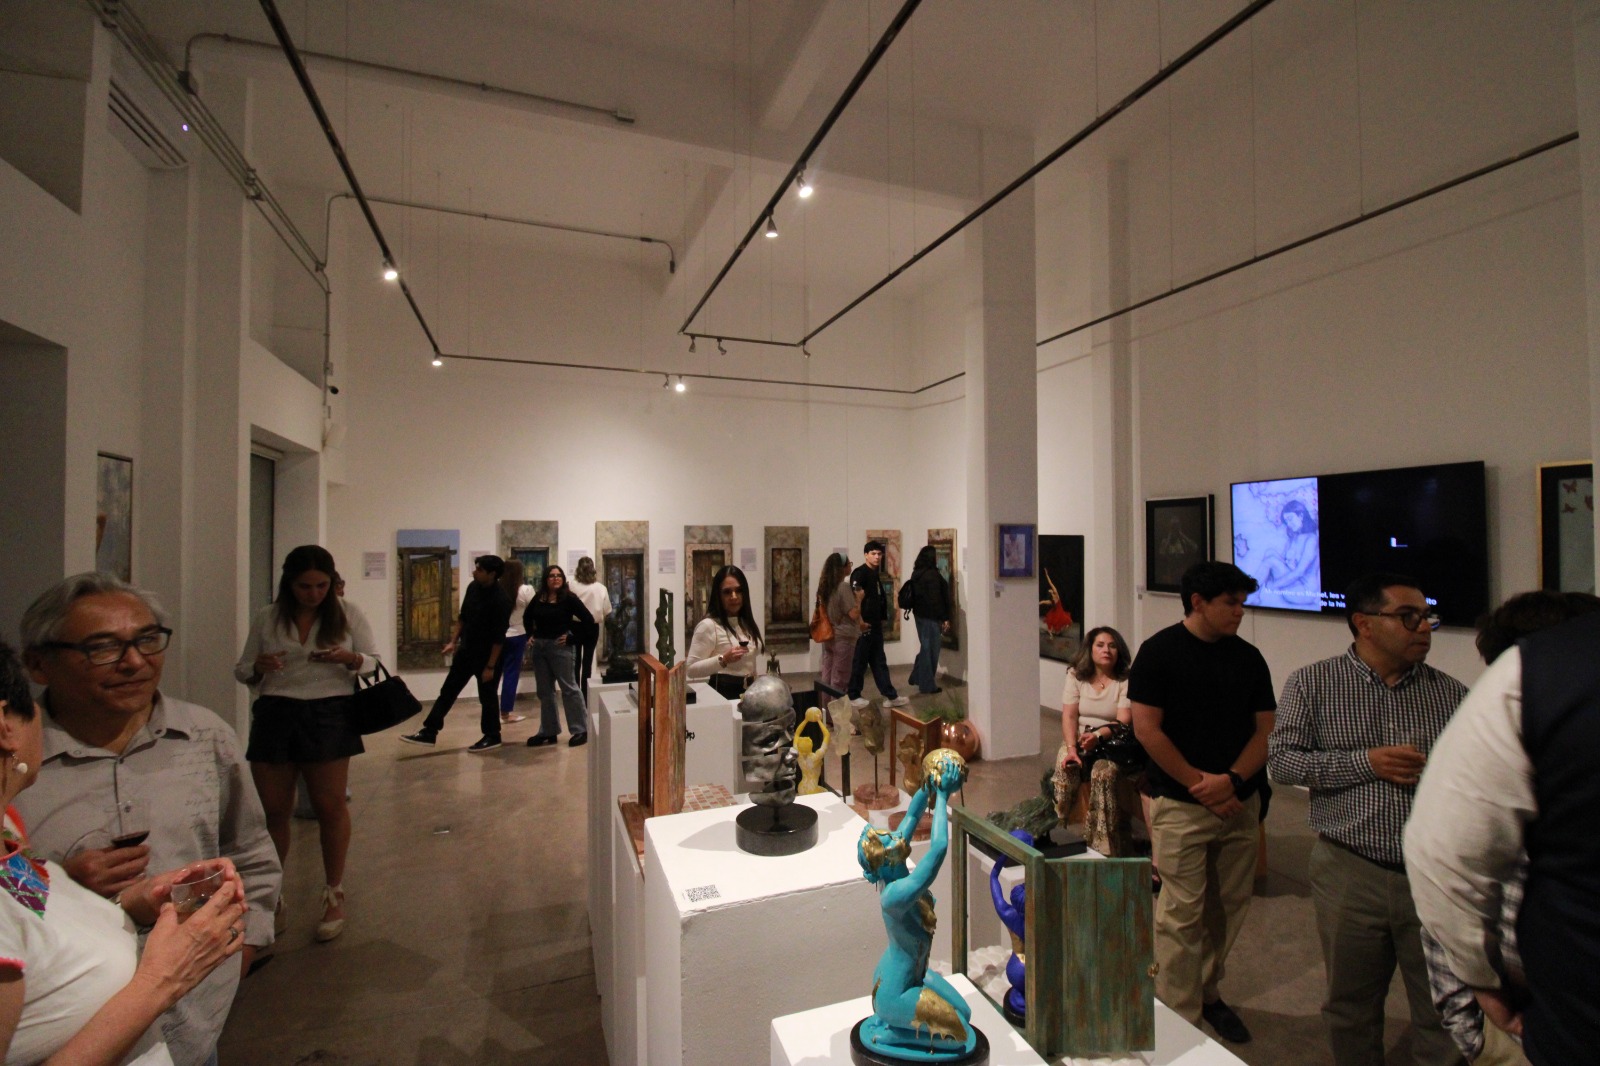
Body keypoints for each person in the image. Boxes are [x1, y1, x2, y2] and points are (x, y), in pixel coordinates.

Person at [15, 573, 281, 1066]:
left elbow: (249, 853)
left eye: (147, 640)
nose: (135, 662)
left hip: (196, 1016)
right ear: (38, 664)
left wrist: (241, 951)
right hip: (68, 1036)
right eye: (102, 648)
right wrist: (65, 885)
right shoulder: (16, 762)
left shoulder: (204, 736)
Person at [1267, 572, 1466, 1066]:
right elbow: (1283, 763)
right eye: (1409, 617)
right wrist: (1366, 763)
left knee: (1444, 1011)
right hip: (1350, 870)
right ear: (1364, 623)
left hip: (1434, 875)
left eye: (1428, 617)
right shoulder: (1313, 683)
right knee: (1351, 1005)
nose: (1424, 627)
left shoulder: (1451, 694)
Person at [1407, 598, 1600, 1066]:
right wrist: (1476, 1025)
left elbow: (1443, 863)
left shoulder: (1525, 684)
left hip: (1557, 1019)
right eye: (1409, 616)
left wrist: (1482, 993)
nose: (1424, 628)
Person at [1129, 561, 1275, 1045]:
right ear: (1198, 602)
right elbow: (1147, 729)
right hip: (1182, 804)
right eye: (1230, 602)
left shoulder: (1249, 658)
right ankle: (1177, 1019)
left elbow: (1265, 730)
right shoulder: (1159, 653)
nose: (1239, 611)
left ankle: (1208, 992)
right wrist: (1200, 784)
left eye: (1242, 602)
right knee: (1180, 915)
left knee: (1227, 909)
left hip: (1238, 803)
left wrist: (1231, 781)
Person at [234, 545, 378, 944]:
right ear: (289, 583)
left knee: (330, 807)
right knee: (274, 811)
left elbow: (373, 661)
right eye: (304, 586)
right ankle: (271, 896)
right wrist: (258, 667)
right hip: (276, 712)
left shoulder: (347, 613)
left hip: (329, 712)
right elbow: (242, 669)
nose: (313, 594)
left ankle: (334, 893)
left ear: (332, 583)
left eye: (321, 585)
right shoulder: (268, 616)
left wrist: (349, 658)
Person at [1052, 626, 1151, 861]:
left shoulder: (1125, 679)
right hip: (1080, 740)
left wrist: (1097, 736)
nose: (1106, 650)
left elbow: (1123, 720)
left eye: (1112, 646)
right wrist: (1072, 748)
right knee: (1065, 765)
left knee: (1102, 774)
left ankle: (1102, 846)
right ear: (1090, 649)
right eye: (1100, 645)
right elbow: (1069, 715)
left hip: (1112, 744)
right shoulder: (1076, 675)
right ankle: (1057, 830)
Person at [401, 555, 514, 753]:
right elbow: (463, 618)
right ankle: (430, 731)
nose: (474, 572)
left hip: (488, 656)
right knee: (448, 690)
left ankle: (492, 735)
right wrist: (453, 642)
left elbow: (499, 638)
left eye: (479, 570)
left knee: (487, 697)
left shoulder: (501, 600)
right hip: (467, 651)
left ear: (492, 574)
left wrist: (490, 666)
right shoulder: (473, 588)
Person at [521, 565, 595, 749]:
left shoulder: (569, 598)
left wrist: (573, 638)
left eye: (558, 575)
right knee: (545, 691)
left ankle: (580, 729)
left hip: (560, 647)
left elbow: (588, 620)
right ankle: (548, 730)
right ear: (546, 579)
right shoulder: (539, 597)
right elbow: (527, 616)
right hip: (540, 648)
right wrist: (530, 634)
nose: (555, 578)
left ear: (562, 579)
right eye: (552, 576)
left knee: (569, 689)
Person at [686, 565, 764, 700]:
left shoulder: (746, 622)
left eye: (739, 591)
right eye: (727, 592)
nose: (734, 596)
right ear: (718, 595)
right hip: (724, 695)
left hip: (750, 693)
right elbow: (691, 669)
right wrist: (724, 659)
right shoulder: (709, 626)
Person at [848, 542, 907, 708]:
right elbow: (855, 599)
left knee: (879, 660)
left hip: (874, 625)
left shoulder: (874, 574)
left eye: (879, 554)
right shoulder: (860, 573)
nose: (877, 557)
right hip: (864, 625)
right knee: (860, 661)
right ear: (866, 555)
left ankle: (890, 695)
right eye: (873, 553)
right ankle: (853, 695)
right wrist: (860, 622)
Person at [903, 546, 951, 696]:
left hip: (919, 615)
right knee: (931, 650)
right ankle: (927, 685)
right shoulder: (932, 575)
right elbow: (936, 599)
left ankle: (918, 676)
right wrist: (944, 617)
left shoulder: (917, 573)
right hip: (931, 617)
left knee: (926, 648)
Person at [496, 560, 534, 726]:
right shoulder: (525, 590)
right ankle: (505, 713)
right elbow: (534, 611)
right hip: (517, 634)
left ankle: (492, 711)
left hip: (498, 635)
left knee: (494, 674)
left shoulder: (497, 589)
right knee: (511, 675)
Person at [569, 557, 611, 703]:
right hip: (592, 627)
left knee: (575, 662)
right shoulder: (601, 588)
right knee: (587, 662)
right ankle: (585, 695)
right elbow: (606, 610)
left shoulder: (571, 586)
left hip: (575, 625)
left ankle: (575, 695)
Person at [816, 553, 856, 693]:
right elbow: (853, 614)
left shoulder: (825, 587)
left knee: (827, 678)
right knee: (840, 681)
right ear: (842, 568)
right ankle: (837, 708)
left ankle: (825, 706)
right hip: (843, 637)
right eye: (849, 564)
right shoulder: (843, 587)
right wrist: (859, 598)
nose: (850, 566)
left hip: (829, 636)